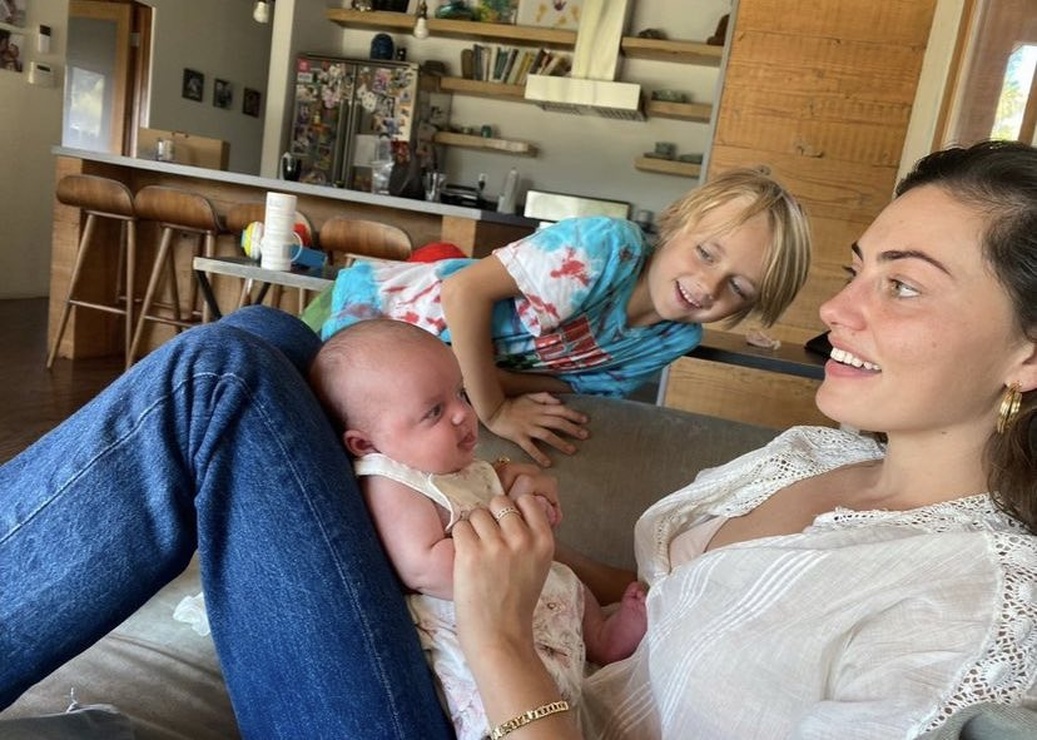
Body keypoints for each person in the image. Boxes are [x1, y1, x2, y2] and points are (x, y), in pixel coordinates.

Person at [2, 140, 1034, 740]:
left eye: (902, 285)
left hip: (490, 703)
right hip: (485, 652)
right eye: (857, 271)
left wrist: (498, 633)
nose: (837, 313)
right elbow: (660, 591)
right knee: (266, 340)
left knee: (219, 375)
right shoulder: (812, 457)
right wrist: (529, 546)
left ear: (1026, 354)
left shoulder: (969, 601)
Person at [306, 168, 812, 466]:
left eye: (739, 287)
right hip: (371, 318)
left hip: (426, 386)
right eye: (705, 252)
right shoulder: (607, 248)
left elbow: (564, 386)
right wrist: (494, 410)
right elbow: (463, 292)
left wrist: (472, 382)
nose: (709, 285)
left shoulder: (673, 339)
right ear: (678, 224)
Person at [308, 318, 647, 739]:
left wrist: (533, 513)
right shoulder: (392, 482)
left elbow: (508, 507)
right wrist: (512, 548)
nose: (463, 414)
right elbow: (420, 565)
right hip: (475, 616)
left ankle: (602, 638)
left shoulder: (458, 466)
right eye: (434, 411)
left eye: (460, 393)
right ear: (366, 444)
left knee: (572, 585)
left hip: (526, 599)